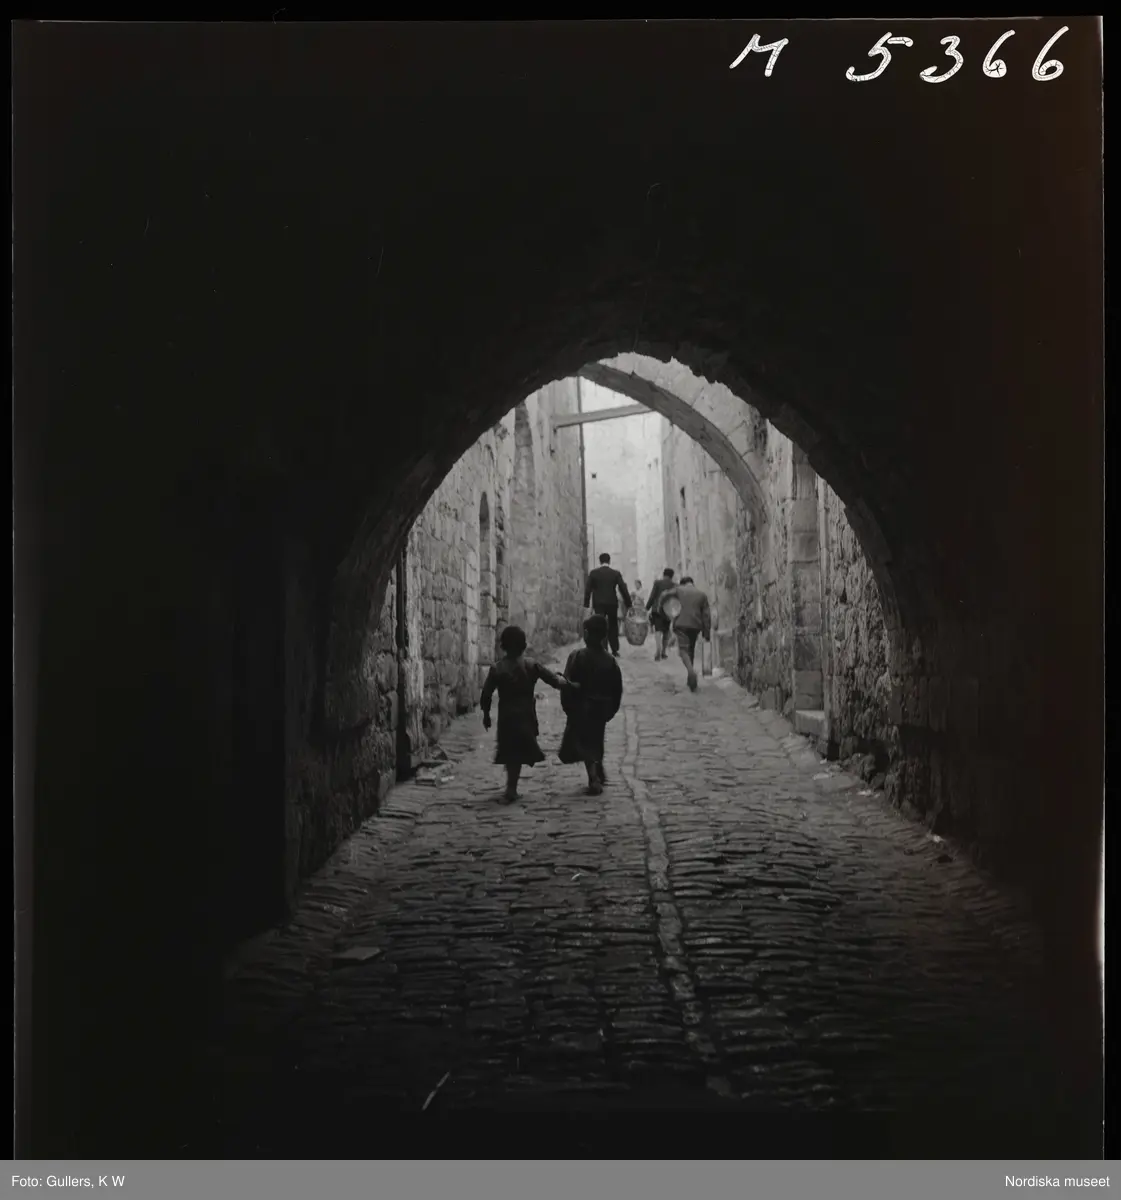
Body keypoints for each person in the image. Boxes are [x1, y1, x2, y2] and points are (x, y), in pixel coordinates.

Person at [480, 625, 575, 803]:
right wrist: (571, 684)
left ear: (503, 645)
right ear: (523, 645)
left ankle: (511, 788)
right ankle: (511, 788)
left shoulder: (497, 668)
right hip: (525, 715)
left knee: (510, 751)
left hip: (506, 717)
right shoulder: (532, 665)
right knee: (518, 749)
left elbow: (486, 694)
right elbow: (555, 681)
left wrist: (486, 715)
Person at [558, 614, 624, 796]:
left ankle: (593, 778)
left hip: (582, 708)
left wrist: (568, 707)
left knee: (586, 743)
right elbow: (616, 689)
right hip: (601, 709)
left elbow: (567, 683)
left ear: (586, 633)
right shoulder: (610, 661)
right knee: (596, 740)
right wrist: (610, 711)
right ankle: (598, 766)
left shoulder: (577, 656)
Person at [583, 553, 631, 657]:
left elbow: (588, 589)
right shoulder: (615, 573)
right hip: (612, 603)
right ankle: (614, 649)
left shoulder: (594, 573)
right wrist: (629, 603)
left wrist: (586, 603)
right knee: (613, 625)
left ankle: (603, 647)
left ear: (600, 561)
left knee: (600, 624)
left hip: (598, 603)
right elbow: (623, 588)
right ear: (609, 561)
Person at [671, 576, 711, 692]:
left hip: (681, 624)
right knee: (691, 650)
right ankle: (690, 680)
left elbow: (664, 595)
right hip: (695, 626)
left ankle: (691, 672)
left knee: (683, 650)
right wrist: (706, 633)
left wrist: (662, 608)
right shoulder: (702, 595)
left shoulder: (678, 590)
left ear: (683, 584)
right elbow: (706, 616)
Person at [645, 568, 677, 661]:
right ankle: (663, 651)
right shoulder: (674, 585)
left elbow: (652, 596)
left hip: (657, 610)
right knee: (666, 631)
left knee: (658, 629)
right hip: (668, 610)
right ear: (672, 576)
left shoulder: (657, 583)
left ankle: (658, 648)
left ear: (663, 574)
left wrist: (647, 608)